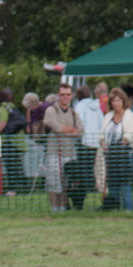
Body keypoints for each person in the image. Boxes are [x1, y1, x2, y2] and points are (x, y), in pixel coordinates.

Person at [43, 83, 81, 211]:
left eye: (68, 94)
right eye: (63, 95)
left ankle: (63, 208)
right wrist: (71, 130)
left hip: (70, 153)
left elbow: (80, 131)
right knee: (54, 183)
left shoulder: (74, 113)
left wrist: (66, 131)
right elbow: (56, 127)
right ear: (58, 95)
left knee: (66, 183)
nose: (65, 97)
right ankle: (54, 208)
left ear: (72, 96)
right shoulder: (51, 110)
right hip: (54, 152)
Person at [99, 87, 133, 211]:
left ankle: (128, 209)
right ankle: (114, 208)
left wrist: (120, 146)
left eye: (118, 101)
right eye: (113, 101)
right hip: (110, 154)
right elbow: (102, 133)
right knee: (112, 182)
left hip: (124, 154)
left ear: (123, 101)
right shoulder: (108, 116)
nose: (116, 104)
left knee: (124, 183)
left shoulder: (129, 115)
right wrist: (103, 143)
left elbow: (130, 134)